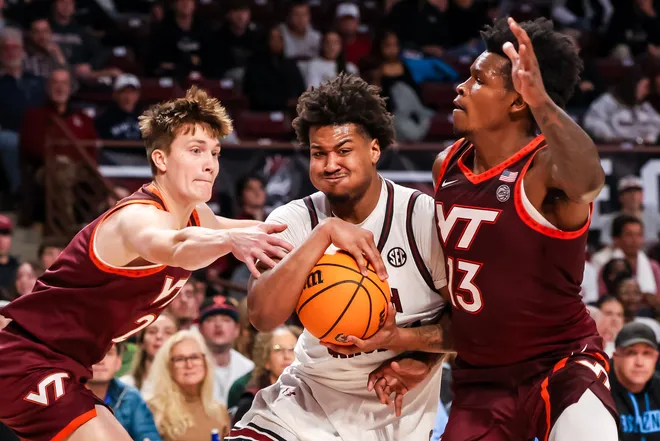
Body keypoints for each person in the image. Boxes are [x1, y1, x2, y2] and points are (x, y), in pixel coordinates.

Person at [370, 17, 618, 441]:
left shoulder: (545, 170)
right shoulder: (445, 166)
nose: (460, 88)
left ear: (518, 101)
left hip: (561, 365)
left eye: (478, 80)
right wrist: (417, 351)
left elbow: (591, 181)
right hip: (482, 380)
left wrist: (543, 102)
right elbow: (467, 305)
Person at [0, 86, 293, 441]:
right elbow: (174, 245)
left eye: (215, 153)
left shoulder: (197, 215)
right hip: (25, 360)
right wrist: (230, 241)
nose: (210, 163)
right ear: (161, 159)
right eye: (196, 150)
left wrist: (321, 231)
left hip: (65, 363)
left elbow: (264, 230)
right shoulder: (137, 218)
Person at [229, 73, 448, 441]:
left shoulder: (421, 218)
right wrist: (323, 235)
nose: (331, 164)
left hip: (395, 415)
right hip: (306, 403)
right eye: (319, 153)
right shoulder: (293, 220)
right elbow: (262, 317)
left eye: (344, 150)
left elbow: (474, 325)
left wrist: (415, 352)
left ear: (374, 150)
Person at [610, 322, 660, 441]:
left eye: (646, 353)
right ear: (616, 357)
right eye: (631, 353)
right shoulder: (601, 393)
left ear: (656, 358)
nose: (639, 363)